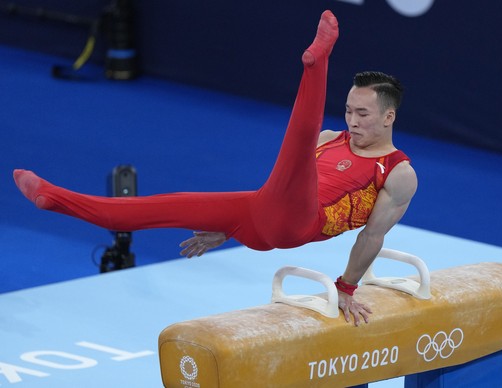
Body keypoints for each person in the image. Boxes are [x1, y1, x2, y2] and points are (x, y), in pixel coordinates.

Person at [13, 10, 417, 326]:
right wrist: (228, 227)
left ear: (388, 117)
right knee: (154, 208)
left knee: (296, 142)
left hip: (301, 222)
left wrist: (345, 287)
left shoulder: (397, 172)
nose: (352, 121)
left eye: (363, 114)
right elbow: (278, 190)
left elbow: (371, 236)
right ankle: (56, 199)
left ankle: (317, 63)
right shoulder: (330, 137)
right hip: (259, 214)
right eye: (348, 110)